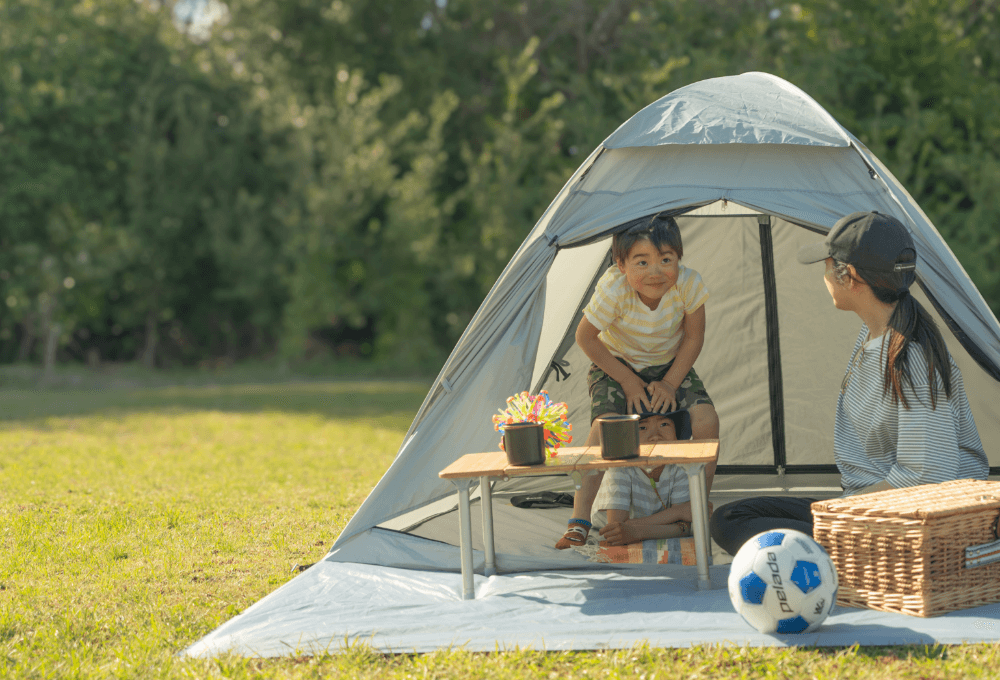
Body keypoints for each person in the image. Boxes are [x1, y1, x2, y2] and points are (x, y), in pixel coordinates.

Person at [710, 211, 989, 556]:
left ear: (851, 277)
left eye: (828, 265)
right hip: (868, 505)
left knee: (735, 527)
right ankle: (842, 551)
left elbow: (926, 477)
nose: (824, 275)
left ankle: (856, 556)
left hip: (905, 518)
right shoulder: (875, 335)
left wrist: (840, 512)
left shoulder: (911, 358)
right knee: (731, 516)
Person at [556, 213, 720, 549]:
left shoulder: (689, 284)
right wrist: (629, 381)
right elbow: (586, 338)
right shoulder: (614, 289)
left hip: (670, 364)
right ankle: (579, 519)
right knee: (604, 428)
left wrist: (671, 383)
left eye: (666, 260)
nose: (656, 272)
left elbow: (693, 338)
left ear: (679, 258)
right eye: (641, 262)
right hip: (617, 364)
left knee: (706, 418)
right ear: (621, 264)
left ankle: (694, 505)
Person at [592, 411, 712, 546]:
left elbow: (684, 528)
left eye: (664, 424)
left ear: (677, 436)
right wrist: (677, 512)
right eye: (642, 428)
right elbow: (616, 529)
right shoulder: (620, 468)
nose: (655, 436)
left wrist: (637, 531)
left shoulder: (681, 467)